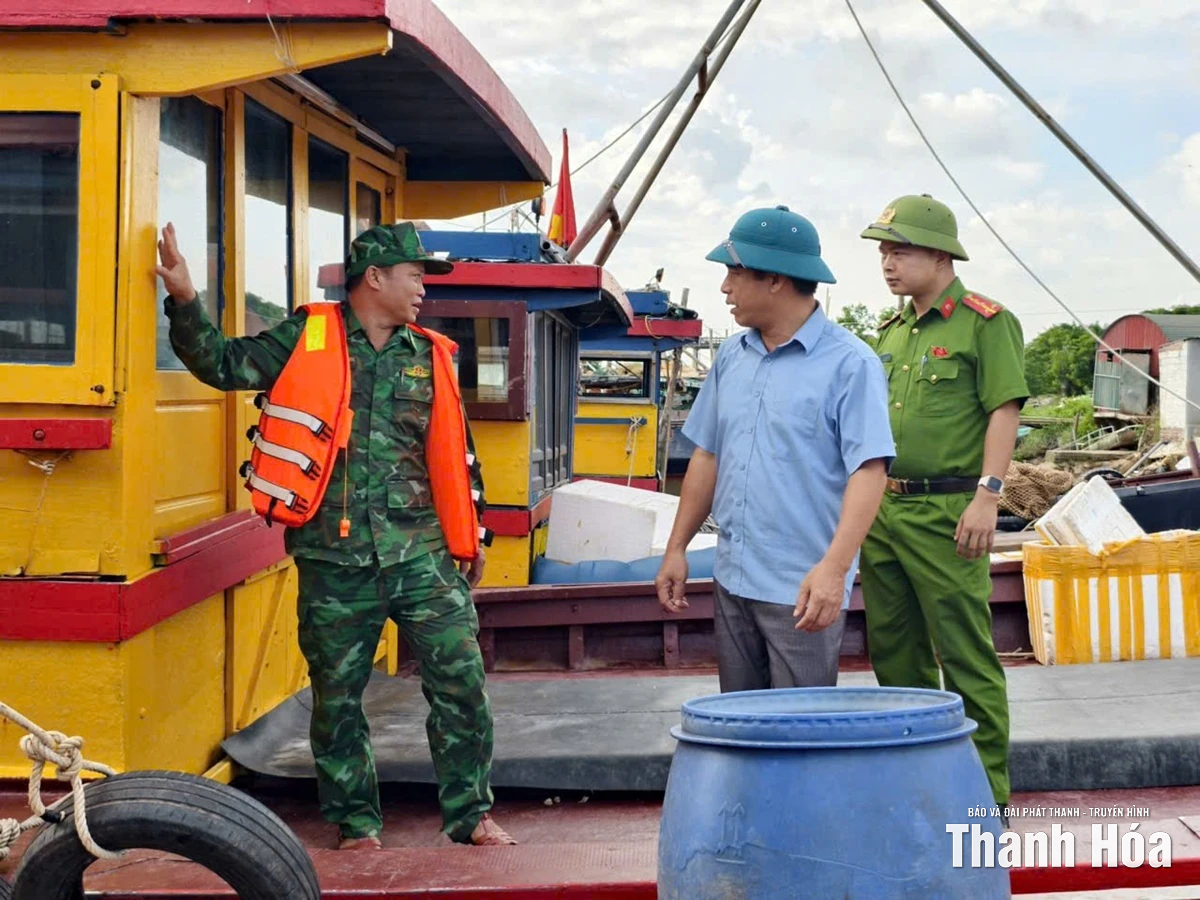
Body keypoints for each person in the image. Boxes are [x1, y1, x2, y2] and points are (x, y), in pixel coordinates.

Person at [156, 221, 517, 849]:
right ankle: (356, 824)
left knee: (461, 684)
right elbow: (223, 364)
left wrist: (472, 536)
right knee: (338, 699)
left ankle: (471, 815)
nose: (423, 289)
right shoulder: (306, 339)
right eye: (415, 275)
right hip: (335, 560)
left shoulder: (429, 354)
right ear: (374, 277)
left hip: (422, 556)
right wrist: (186, 300)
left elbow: (459, 454)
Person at [655, 206, 895, 691]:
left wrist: (834, 570)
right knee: (743, 724)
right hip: (734, 577)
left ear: (776, 281)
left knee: (800, 732)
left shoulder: (850, 365)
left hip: (801, 588)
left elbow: (870, 472)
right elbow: (707, 455)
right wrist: (676, 548)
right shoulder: (732, 356)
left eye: (734, 273)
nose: (725, 287)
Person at [857, 194, 1028, 813]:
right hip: (886, 511)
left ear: (939, 254)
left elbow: (1003, 409)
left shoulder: (984, 322)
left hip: (950, 513)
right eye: (883, 251)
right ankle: (917, 788)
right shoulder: (892, 333)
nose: (887, 262)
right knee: (895, 653)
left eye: (899, 250)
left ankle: (985, 799)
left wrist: (989, 495)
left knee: (963, 653)